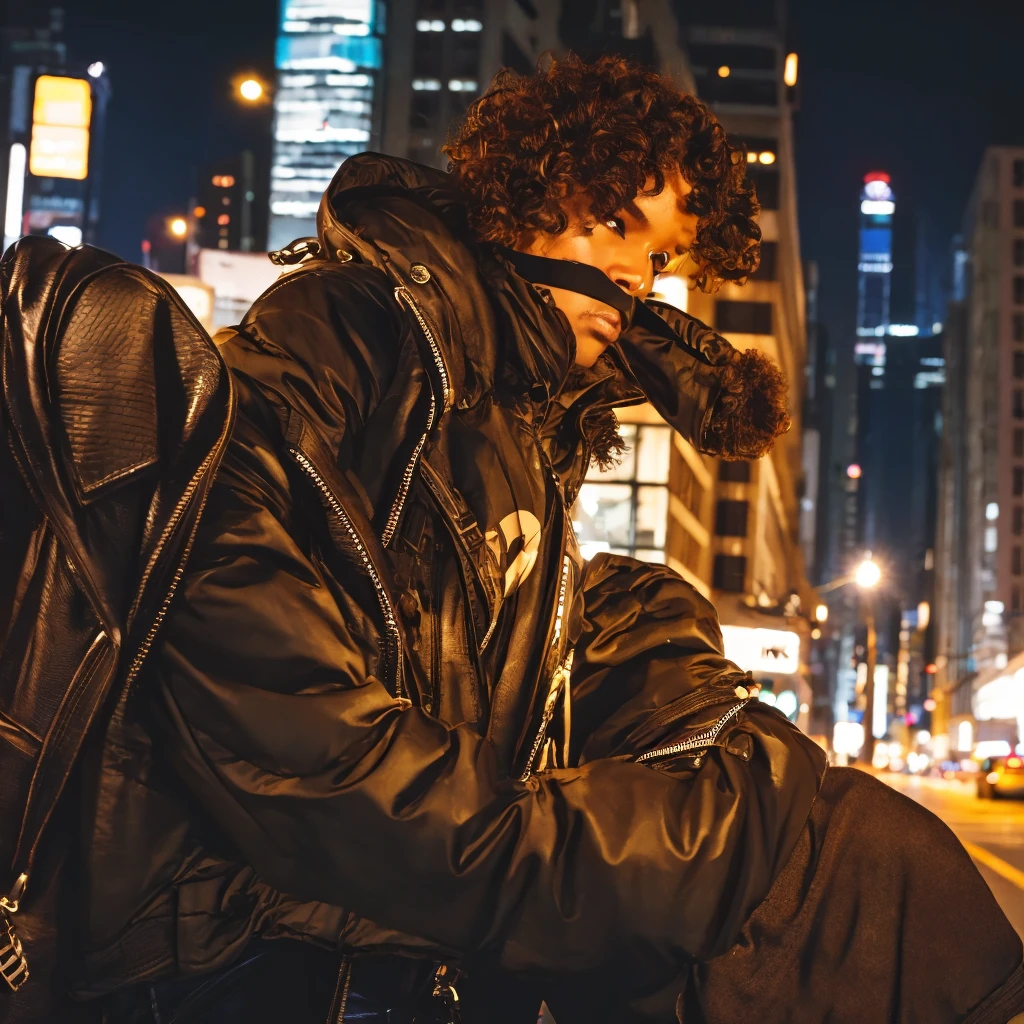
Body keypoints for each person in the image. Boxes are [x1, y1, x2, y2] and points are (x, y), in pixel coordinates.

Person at [66, 55, 1022, 1023]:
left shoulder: (519, 430)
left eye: (656, 260)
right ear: (516, 200)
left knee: (857, 853)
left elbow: (481, 657)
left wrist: (679, 691)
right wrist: (572, 861)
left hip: (400, 959)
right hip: (260, 968)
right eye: (612, 224)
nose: (631, 279)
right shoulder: (348, 333)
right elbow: (272, 705)